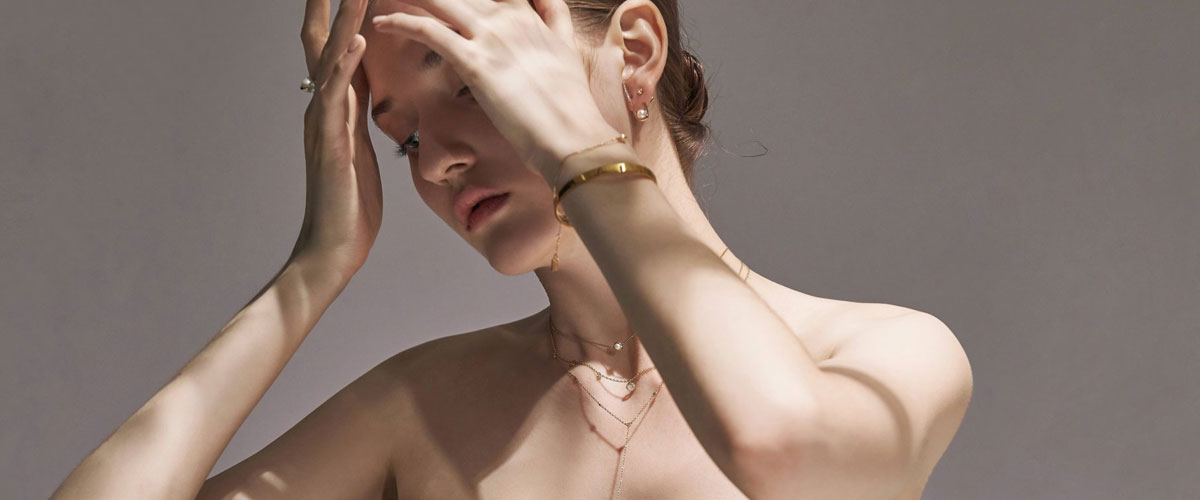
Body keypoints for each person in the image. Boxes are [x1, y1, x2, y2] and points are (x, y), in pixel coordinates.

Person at [51, 0, 974, 498]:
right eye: (402, 137)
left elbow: (781, 450)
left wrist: (581, 153)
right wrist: (314, 270)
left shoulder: (882, 355)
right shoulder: (418, 403)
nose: (437, 161)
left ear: (635, 52)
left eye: (470, 82)